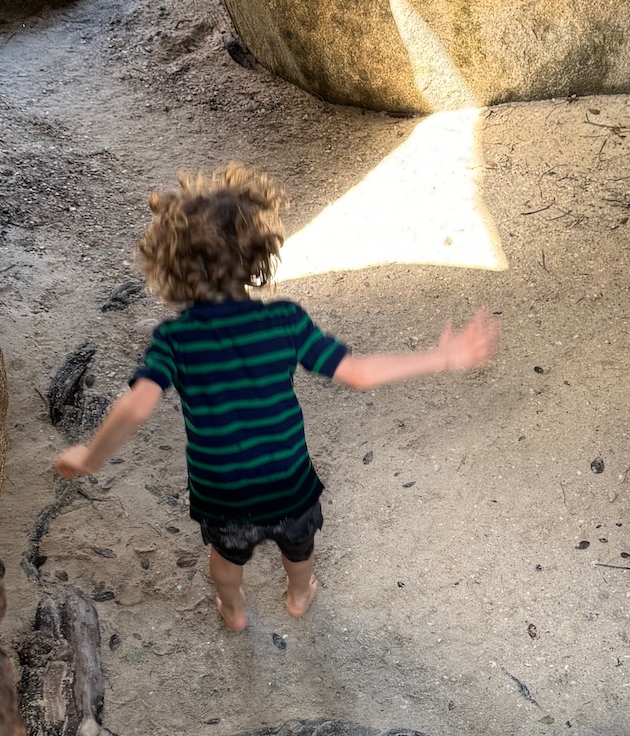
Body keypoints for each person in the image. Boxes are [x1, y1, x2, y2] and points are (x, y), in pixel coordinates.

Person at [53, 164, 499, 631]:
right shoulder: (286, 321)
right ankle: (299, 595)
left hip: (221, 490)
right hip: (289, 481)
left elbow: (137, 406)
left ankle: (234, 609)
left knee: (226, 557)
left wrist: (89, 456)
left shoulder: (174, 339)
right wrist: (442, 357)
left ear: (169, 266)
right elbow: (360, 375)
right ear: (258, 256)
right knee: (299, 548)